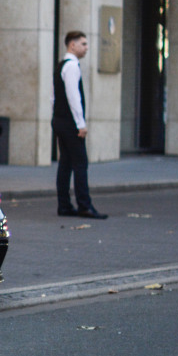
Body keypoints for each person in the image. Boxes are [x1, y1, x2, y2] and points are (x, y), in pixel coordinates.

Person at [52, 30, 106, 219]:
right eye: (83, 44)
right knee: (80, 162)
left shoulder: (60, 66)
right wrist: (80, 124)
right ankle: (84, 205)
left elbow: (53, 96)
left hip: (59, 120)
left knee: (65, 163)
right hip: (69, 123)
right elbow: (73, 97)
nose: (86, 47)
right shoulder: (73, 66)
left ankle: (64, 206)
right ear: (72, 45)